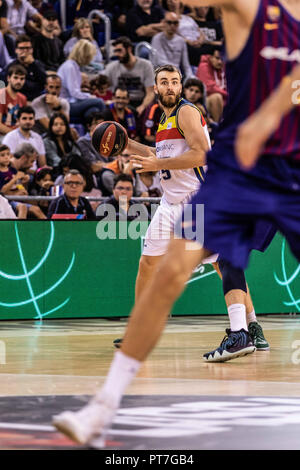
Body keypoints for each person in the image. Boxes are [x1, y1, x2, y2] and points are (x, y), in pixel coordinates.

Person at [53, 0, 295, 442]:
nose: (165, 85)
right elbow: (159, 156)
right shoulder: (160, 118)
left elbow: (201, 153)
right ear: (155, 86)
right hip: (172, 204)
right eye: (160, 80)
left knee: (221, 264)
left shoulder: (185, 111)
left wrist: (146, 167)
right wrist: (132, 151)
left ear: (180, 86)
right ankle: (241, 329)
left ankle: (239, 332)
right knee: (159, 264)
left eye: (171, 80)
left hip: (199, 198)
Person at [102, 36, 155, 116]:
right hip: (119, 102)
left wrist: (143, 106)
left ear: (129, 49)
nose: (117, 54)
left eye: (119, 51)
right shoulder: (111, 67)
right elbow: (104, 91)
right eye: (115, 51)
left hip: (139, 101)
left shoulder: (146, 65)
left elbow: (150, 92)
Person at [57, 39, 105, 124]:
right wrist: (89, 96)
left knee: (93, 111)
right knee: (99, 102)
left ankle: (91, 133)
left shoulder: (74, 66)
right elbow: (74, 93)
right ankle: (106, 130)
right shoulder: (70, 67)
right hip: (67, 104)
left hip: (73, 101)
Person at [0, 34, 46, 101]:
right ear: (16, 50)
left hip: (36, 100)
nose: (25, 51)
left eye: (28, 48)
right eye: (21, 48)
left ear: (32, 50)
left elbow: (45, 83)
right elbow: (2, 83)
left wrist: (33, 64)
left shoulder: (38, 64)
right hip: (17, 100)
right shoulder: (11, 67)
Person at [151, 11, 193, 79]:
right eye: (169, 22)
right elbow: (160, 61)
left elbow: (186, 65)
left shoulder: (181, 41)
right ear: (164, 23)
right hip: (161, 74)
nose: (172, 26)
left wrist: (191, 78)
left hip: (176, 76)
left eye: (175, 23)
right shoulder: (157, 38)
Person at [196, 48, 227, 122]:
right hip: (205, 100)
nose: (220, 62)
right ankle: (217, 126)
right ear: (210, 57)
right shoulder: (203, 66)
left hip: (224, 98)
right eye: (217, 58)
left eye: (222, 59)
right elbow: (209, 88)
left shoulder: (224, 67)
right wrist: (228, 94)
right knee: (216, 97)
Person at [0, 63, 27, 137]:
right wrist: (16, 135)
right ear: (8, 78)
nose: (19, 81)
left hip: (17, 133)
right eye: (15, 78)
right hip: (3, 136)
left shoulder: (23, 98)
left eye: (22, 79)